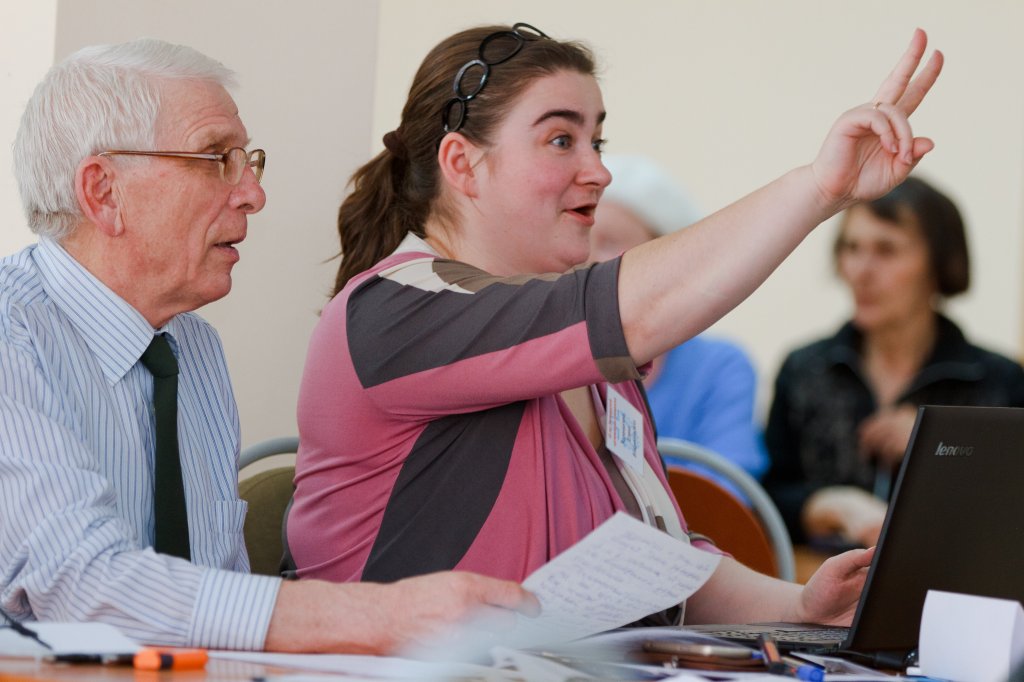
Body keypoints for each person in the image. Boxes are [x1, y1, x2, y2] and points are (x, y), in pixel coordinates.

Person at [288, 21, 942, 628]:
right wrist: (820, 189)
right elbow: (638, 308)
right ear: (461, 164)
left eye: (595, 141)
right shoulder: (396, 309)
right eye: (560, 140)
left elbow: (651, 560)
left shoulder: (594, 361)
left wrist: (800, 605)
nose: (599, 171)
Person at [0, 38, 536, 654]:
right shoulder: (11, 335)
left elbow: (215, 586)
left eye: (248, 161)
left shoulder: (191, 348)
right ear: (103, 192)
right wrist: (380, 614)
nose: (253, 194)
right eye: (215, 159)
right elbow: (80, 584)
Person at [763, 176, 1024, 547]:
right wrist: (828, 506)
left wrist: (938, 445)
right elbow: (765, 501)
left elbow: (1010, 513)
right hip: (817, 577)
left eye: (886, 250)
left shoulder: (998, 380)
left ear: (941, 263)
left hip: (946, 580)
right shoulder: (804, 368)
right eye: (852, 247)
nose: (861, 271)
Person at [590, 154, 768, 482]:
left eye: (608, 243)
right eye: (582, 240)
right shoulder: (554, 365)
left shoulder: (719, 366)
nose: (588, 260)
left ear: (666, 256)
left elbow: (726, 491)